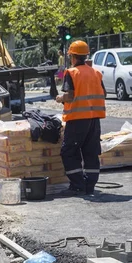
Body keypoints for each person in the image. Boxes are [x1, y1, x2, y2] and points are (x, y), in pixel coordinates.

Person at [56, 40, 106, 196]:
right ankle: (90, 185)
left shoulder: (71, 73)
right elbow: (103, 94)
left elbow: (70, 96)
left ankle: (78, 185)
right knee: (90, 151)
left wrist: (60, 98)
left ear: (73, 57)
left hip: (77, 118)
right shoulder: (96, 72)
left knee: (68, 151)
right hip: (94, 119)